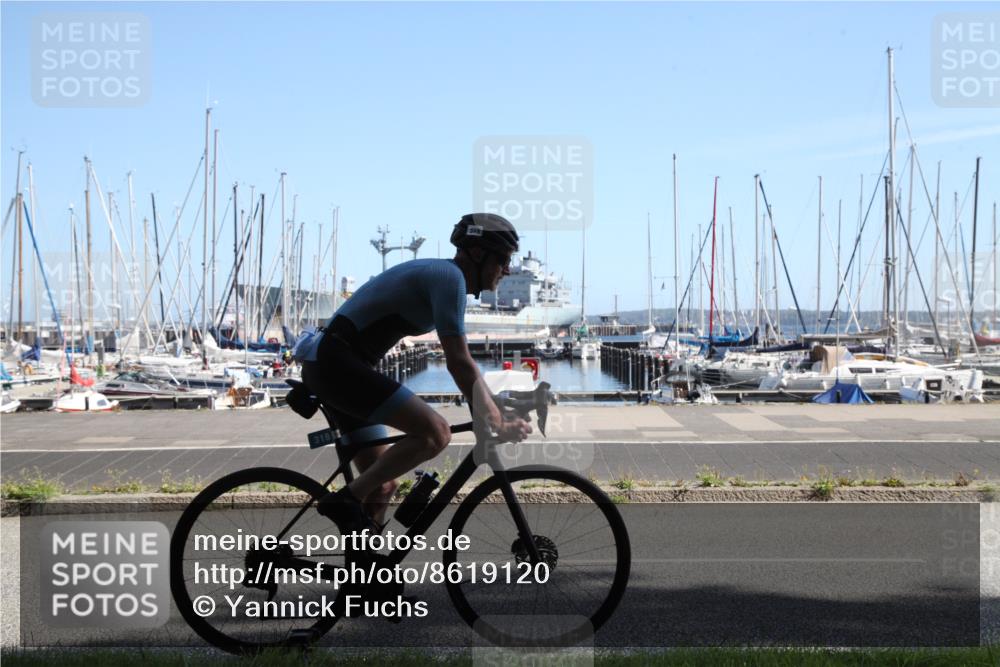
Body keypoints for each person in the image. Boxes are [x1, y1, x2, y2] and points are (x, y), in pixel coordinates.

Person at [296, 213, 532, 534]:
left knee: (381, 487)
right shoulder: (449, 278)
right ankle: (345, 500)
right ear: (478, 254)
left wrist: (490, 409)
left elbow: (463, 367)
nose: (507, 269)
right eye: (503, 259)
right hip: (336, 365)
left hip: (335, 365)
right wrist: (495, 418)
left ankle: (365, 563)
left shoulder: (445, 277)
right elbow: (459, 361)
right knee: (436, 433)